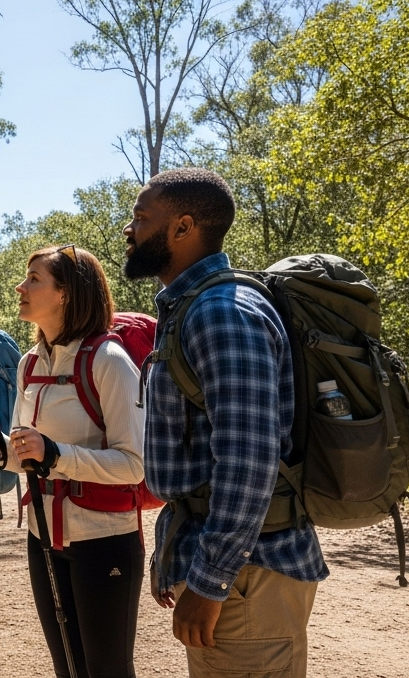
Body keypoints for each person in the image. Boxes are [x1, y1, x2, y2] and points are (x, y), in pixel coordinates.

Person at [123, 168, 327, 678]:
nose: (130, 229)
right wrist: (175, 554)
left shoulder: (222, 312)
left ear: (183, 227)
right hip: (238, 570)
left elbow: (248, 460)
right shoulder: (195, 307)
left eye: (141, 218)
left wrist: (211, 581)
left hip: (248, 576)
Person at [0, 245, 146, 678]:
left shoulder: (109, 361)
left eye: (34, 279)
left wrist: (55, 454)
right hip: (43, 535)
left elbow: (134, 465)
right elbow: (26, 455)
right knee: (67, 667)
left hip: (105, 538)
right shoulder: (29, 363)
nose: (21, 286)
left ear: (66, 293)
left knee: (107, 670)